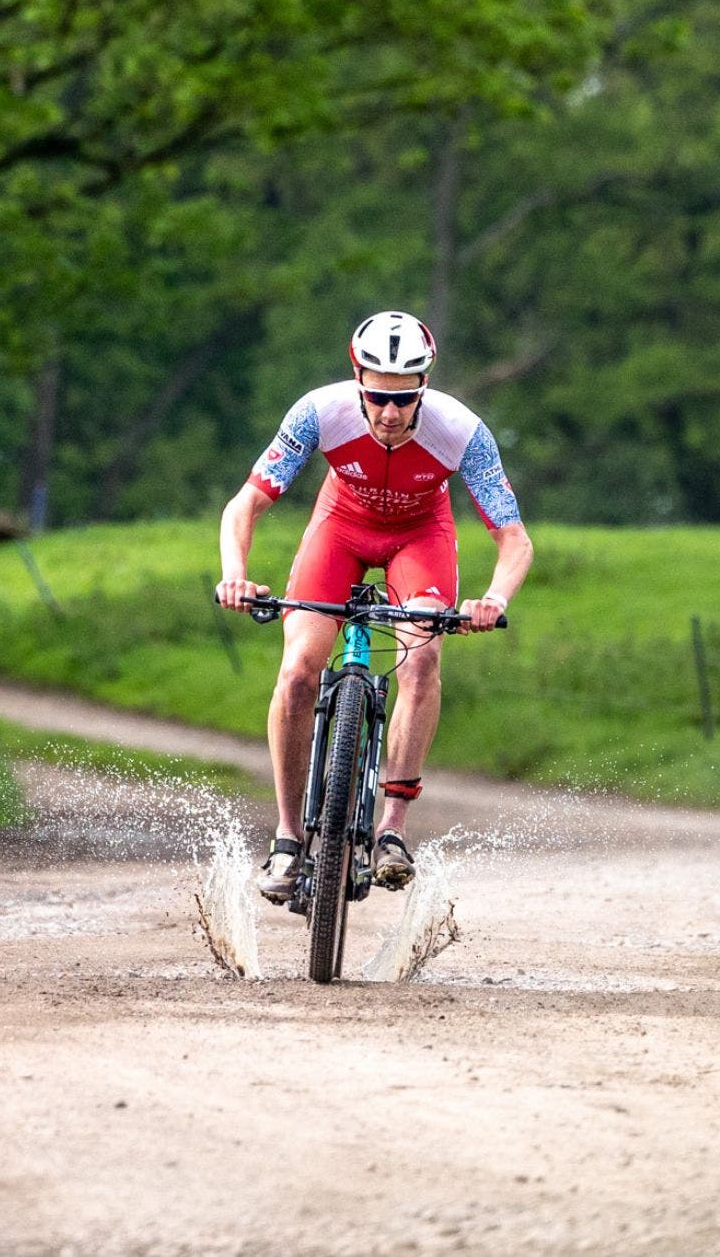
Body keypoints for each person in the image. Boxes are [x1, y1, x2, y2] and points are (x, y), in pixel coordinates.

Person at [215, 311, 533, 903]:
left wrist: (492, 599)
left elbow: (514, 540)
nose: (390, 414)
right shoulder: (319, 411)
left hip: (421, 536)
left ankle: (392, 830)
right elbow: (245, 505)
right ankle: (286, 838)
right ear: (357, 379)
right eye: (378, 398)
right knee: (298, 669)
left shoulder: (463, 431)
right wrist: (236, 576)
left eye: (406, 400)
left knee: (420, 658)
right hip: (340, 528)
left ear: (425, 388)